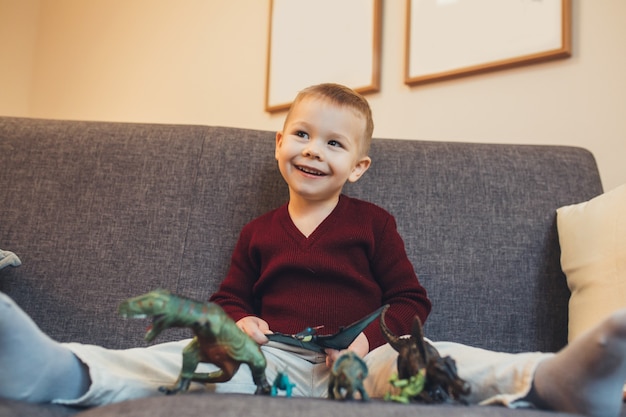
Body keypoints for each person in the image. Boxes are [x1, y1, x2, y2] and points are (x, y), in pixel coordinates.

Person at [2, 83, 626, 417]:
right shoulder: (259, 232)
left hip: (368, 358)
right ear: (279, 143)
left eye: (333, 144)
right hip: (277, 362)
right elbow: (229, 297)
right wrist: (239, 320)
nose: (313, 150)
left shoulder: (373, 223)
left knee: (436, 360)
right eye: (301, 134)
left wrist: (371, 341)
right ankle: (66, 371)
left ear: (357, 167)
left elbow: (411, 299)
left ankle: (549, 379)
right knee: (190, 353)